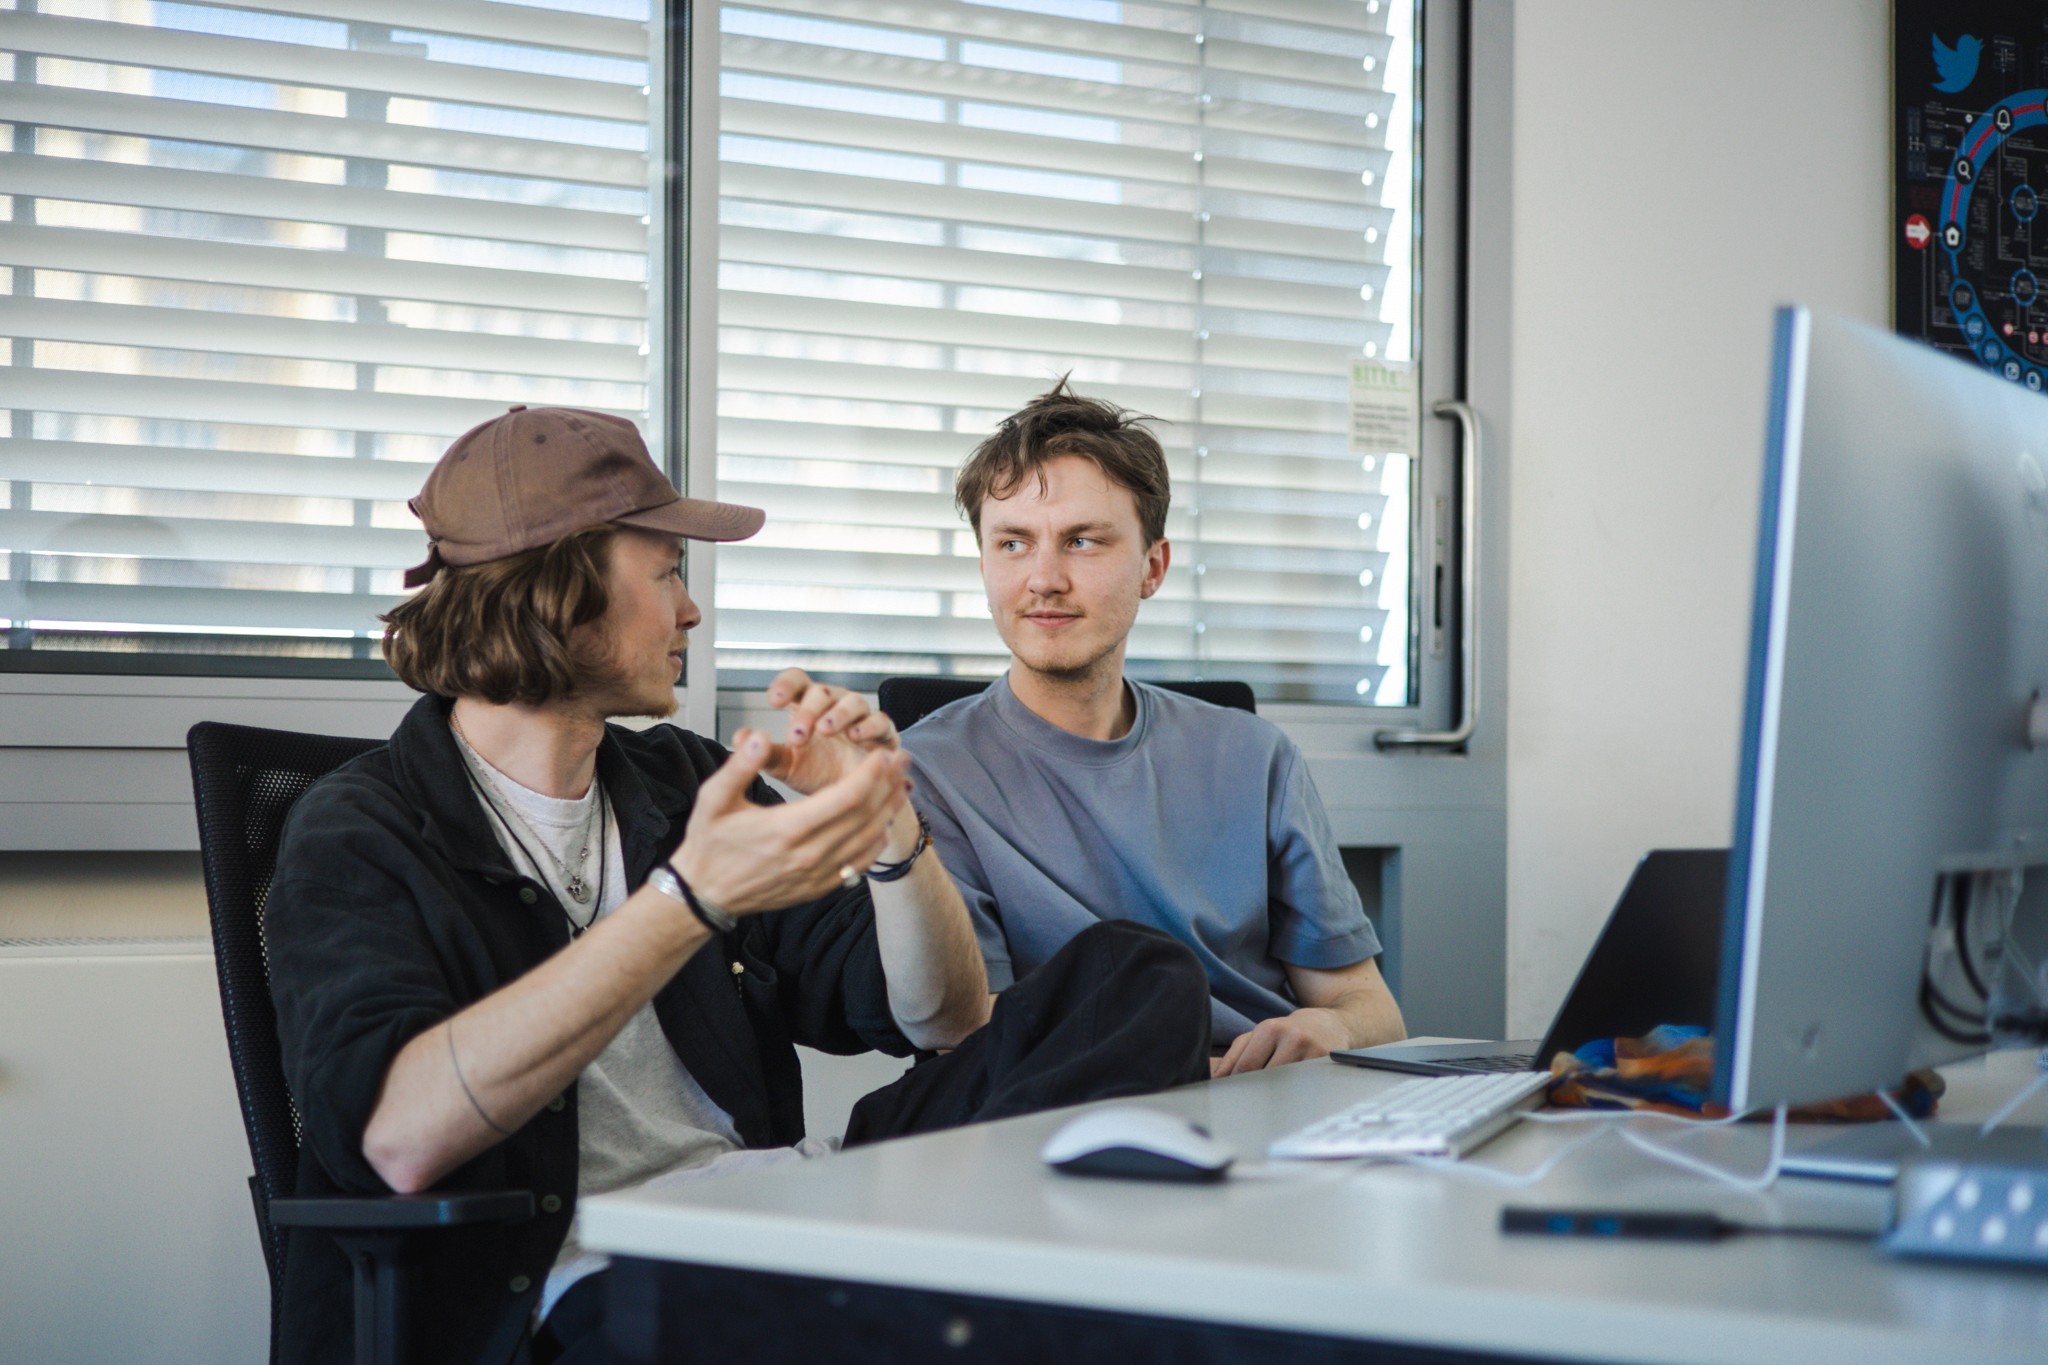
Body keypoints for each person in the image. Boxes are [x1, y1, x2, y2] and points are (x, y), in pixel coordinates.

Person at [263, 405, 1211, 1365]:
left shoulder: (678, 781)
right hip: (590, 1287)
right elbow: (397, 1137)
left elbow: (946, 1020)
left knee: (1137, 977)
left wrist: (890, 826)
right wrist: (686, 901)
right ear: (560, 591)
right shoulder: (362, 830)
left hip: (778, 1216)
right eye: (667, 571)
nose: (690, 610)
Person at [900, 381, 1408, 1077]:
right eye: (1013, 543)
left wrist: (1333, 1027)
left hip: (1266, 1104)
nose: (1043, 578)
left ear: (1153, 567)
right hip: (1067, 1113)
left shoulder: (1255, 757)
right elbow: (966, 1030)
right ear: (984, 563)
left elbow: (1369, 1005)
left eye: (1082, 541)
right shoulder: (927, 771)